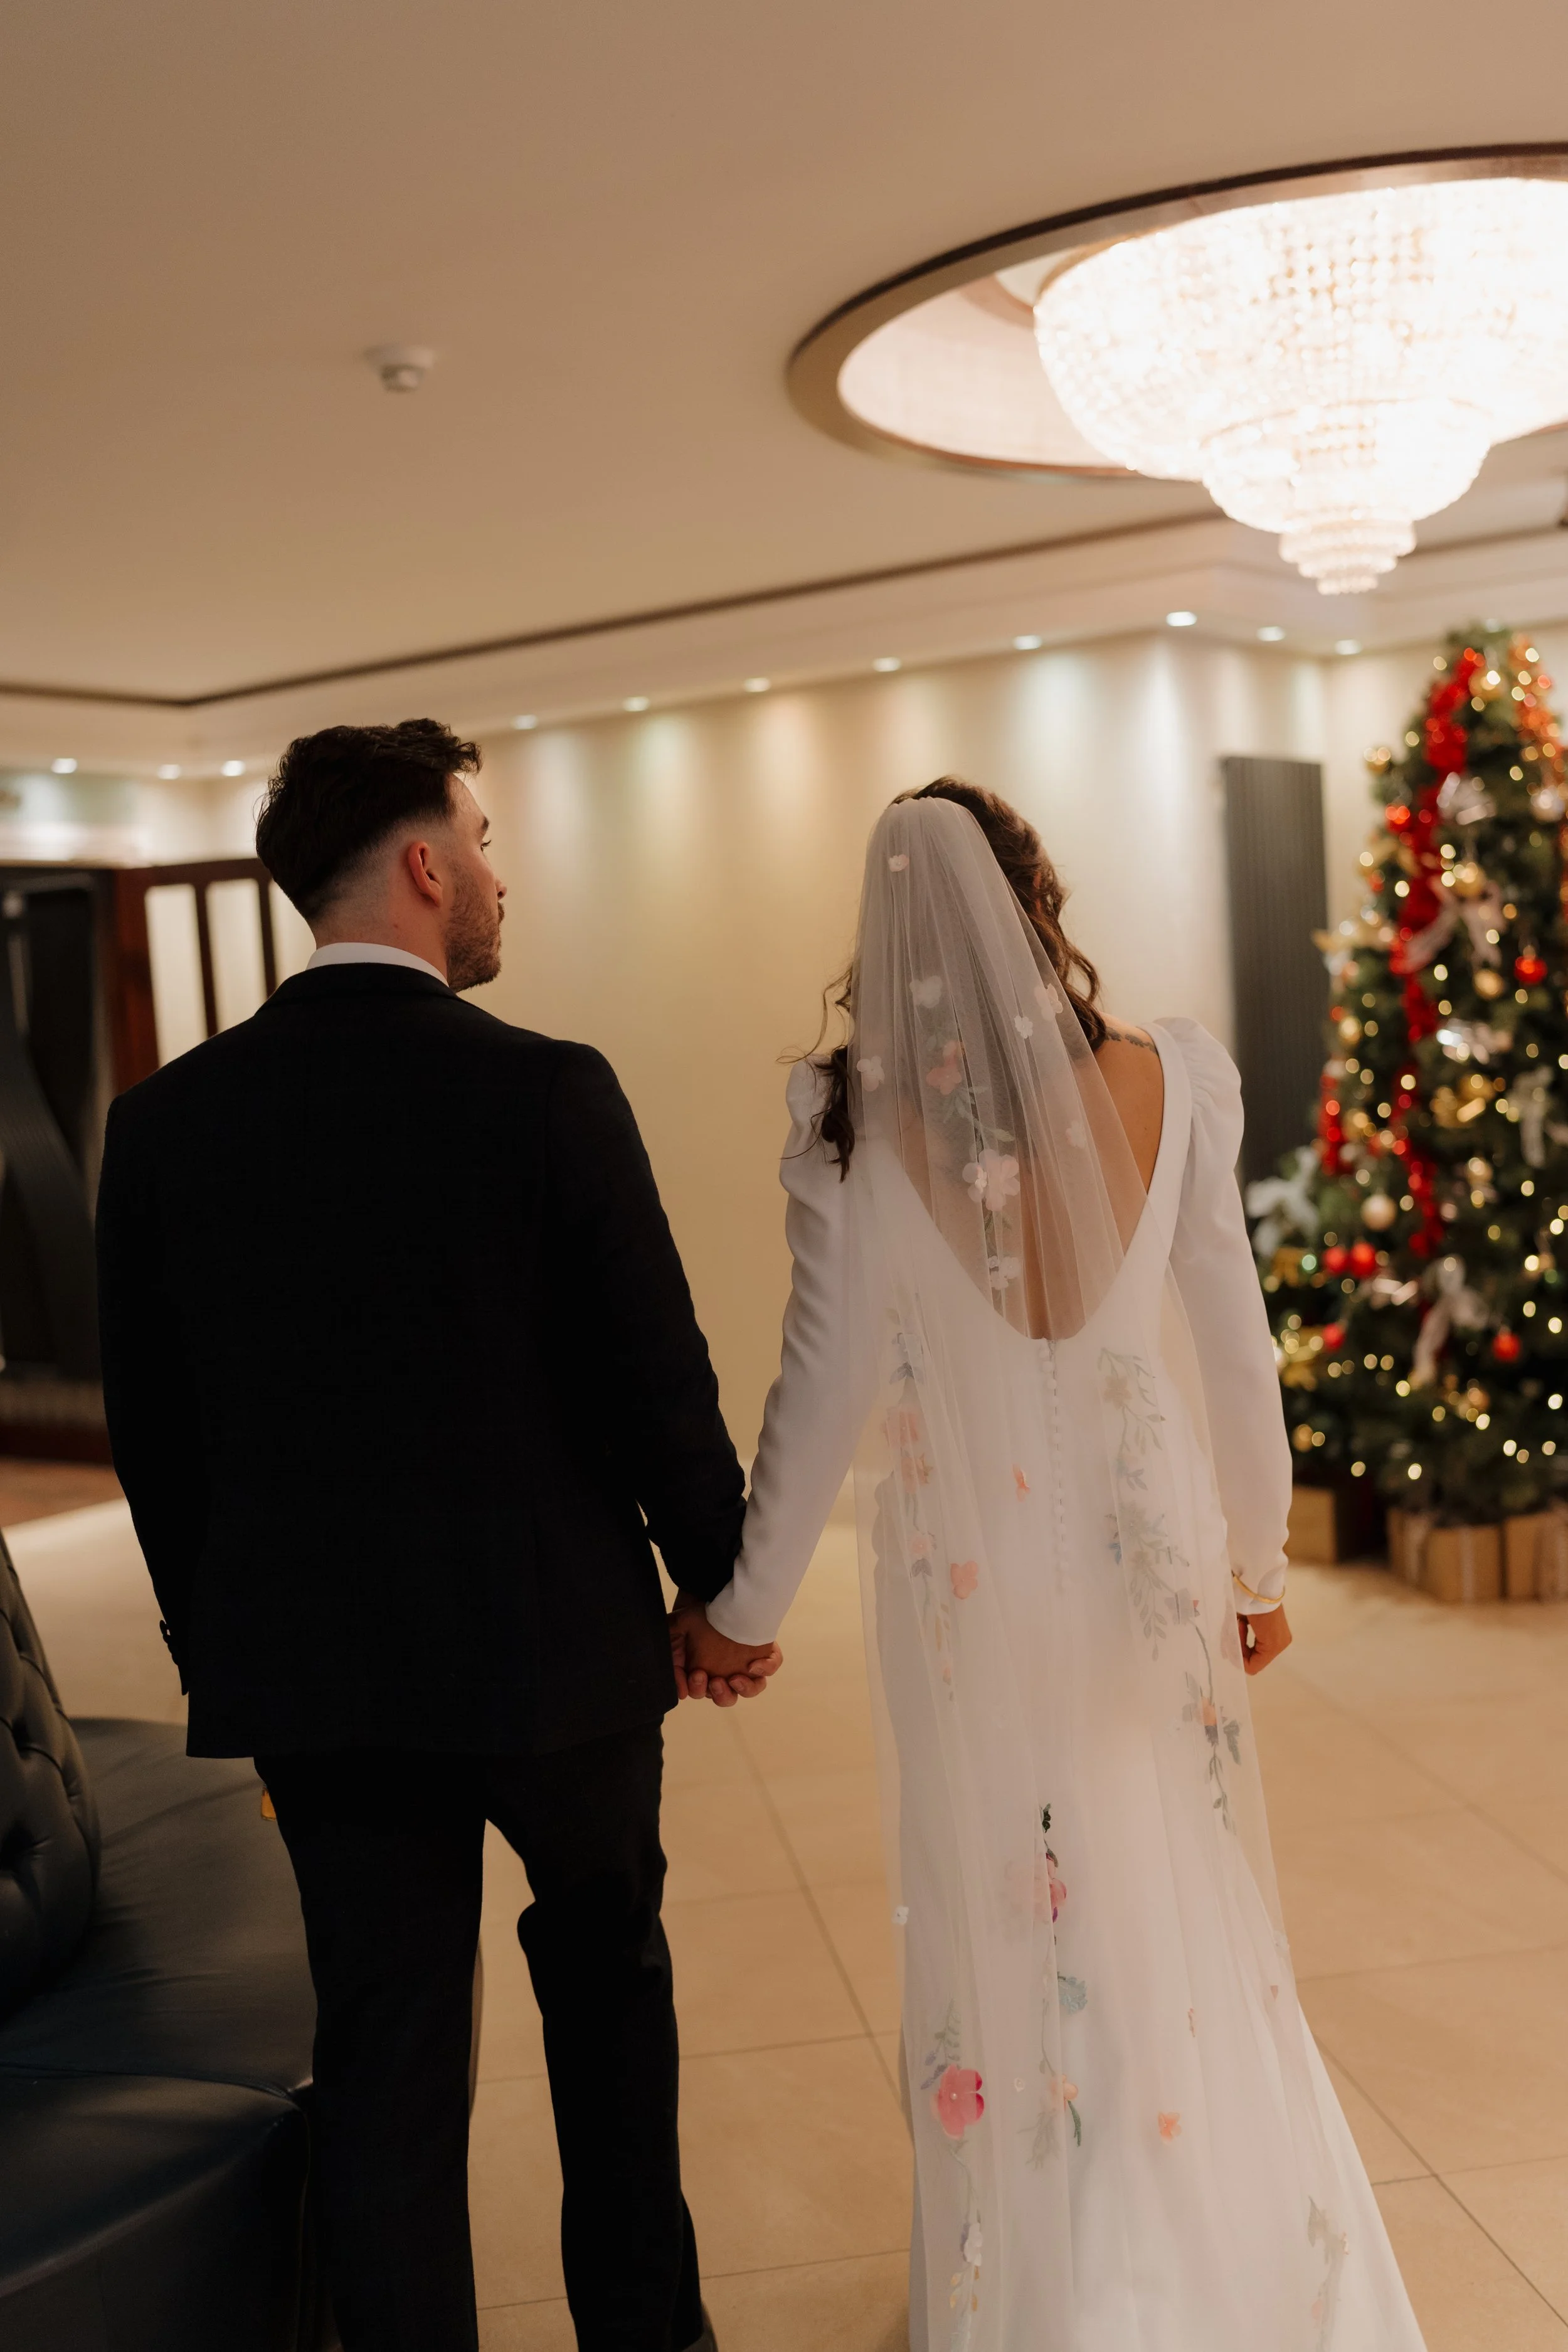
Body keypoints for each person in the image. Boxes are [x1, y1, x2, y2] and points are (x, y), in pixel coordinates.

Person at [686, 780, 1426, 2351]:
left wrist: (739, 1610)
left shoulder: (847, 1134)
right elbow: (1237, 1353)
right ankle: (1198, 2238)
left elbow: (813, 1397)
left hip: (965, 1576)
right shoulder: (1176, 1078)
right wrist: (1256, 1568)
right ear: (1039, 897)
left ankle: (1050, 2260)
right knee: (1166, 1875)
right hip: (1141, 1556)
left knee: (1005, 1897)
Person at [94, 718, 780, 2352]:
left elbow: (157, 1442)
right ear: (422, 864)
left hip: (322, 1685)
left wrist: (226, 1648)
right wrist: (725, 1587)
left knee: (388, 2052)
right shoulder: (545, 1086)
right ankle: (647, 2335)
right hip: (563, 1657)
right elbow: (653, 1378)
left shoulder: (170, 1122)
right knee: (608, 1999)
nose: (496, 869)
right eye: (480, 832)